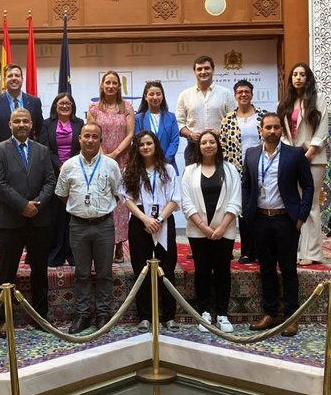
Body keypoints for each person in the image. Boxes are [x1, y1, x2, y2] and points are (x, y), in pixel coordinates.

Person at [243, 113, 314, 337]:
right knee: (266, 269)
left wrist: (301, 215)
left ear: (281, 131)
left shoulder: (295, 154)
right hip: (260, 220)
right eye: (268, 128)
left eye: (276, 128)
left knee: (289, 269)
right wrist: (247, 210)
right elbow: (246, 184)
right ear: (261, 130)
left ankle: (291, 317)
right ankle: (271, 313)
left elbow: (308, 185)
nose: (272, 131)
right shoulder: (252, 154)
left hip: (286, 220)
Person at [0, 108, 56, 338]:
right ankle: (3, 319)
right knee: (7, 271)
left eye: (25, 121)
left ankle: (41, 316)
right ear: (9, 124)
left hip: (39, 219)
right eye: (16, 121)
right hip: (11, 221)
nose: (21, 124)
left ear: (31, 125)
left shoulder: (42, 150)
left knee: (40, 270)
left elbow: (50, 181)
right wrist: (22, 205)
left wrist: (36, 204)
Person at [55, 122, 122, 334]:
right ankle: (82, 315)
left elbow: (118, 192)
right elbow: (62, 193)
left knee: (104, 273)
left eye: (95, 137)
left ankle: (103, 314)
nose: (90, 140)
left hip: (104, 225)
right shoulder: (69, 166)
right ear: (79, 139)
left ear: (100, 140)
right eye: (87, 136)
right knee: (82, 273)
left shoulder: (111, 165)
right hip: (78, 226)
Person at [121, 131, 181, 332]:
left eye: (149, 143)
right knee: (141, 270)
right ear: (137, 148)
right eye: (141, 145)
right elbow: (126, 199)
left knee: (168, 269)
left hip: (164, 221)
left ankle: (169, 315)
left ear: (155, 145)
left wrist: (160, 219)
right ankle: (145, 316)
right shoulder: (130, 170)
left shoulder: (168, 169)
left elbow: (175, 198)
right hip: (140, 223)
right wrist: (145, 218)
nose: (145, 147)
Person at [182, 130, 241, 333]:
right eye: (204, 142)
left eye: (212, 142)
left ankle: (223, 314)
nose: (208, 145)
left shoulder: (230, 169)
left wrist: (221, 227)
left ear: (218, 145)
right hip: (199, 232)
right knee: (203, 271)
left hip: (225, 230)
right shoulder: (190, 171)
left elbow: (235, 200)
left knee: (223, 270)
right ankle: (205, 312)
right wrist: (204, 228)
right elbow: (186, 202)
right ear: (198, 147)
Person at [278, 63, 329, 266]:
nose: (298, 78)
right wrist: (291, 155)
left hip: (313, 159)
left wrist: (308, 153)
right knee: (295, 204)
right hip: (292, 158)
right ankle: (299, 248)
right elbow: (282, 132)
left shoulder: (318, 99)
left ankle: (313, 252)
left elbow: (322, 129)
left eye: (302, 74)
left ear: (308, 78)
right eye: (295, 74)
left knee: (311, 205)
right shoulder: (286, 102)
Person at [87, 70, 135, 263]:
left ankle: (119, 246)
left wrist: (114, 154)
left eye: (114, 83)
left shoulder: (127, 107)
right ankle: (104, 244)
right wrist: (103, 156)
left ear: (119, 86)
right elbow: (90, 134)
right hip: (99, 159)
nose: (111, 86)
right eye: (107, 82)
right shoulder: (94, 109)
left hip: (122, 160)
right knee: (103, 199)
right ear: (102, 85)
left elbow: (130, 134)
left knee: (121, 204)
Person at [220, 79, 267, 264]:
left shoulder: (262, 116)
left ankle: (262, 249)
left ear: (252, 94)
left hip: (261, 169)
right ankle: (247, 251)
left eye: (246, 91)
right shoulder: (228, 119)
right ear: (235, 95)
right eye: (239, 92)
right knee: (243, 211)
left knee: (261, 208)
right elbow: (222, 145)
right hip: (236, 170)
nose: (243, 95)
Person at [38, 92, 84, 267]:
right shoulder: (46, 124)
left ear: (72, 107)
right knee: (56, 215)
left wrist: (69, 166)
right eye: (61, 103)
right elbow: (45, 148)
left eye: (68, 104)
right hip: (53, 174)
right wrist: (60, 165)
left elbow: (83, 146)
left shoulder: (79, 123)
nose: (65, 106)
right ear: (55, 106)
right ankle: (56, 252)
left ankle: (72, 252)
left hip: (75, 173)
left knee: (72, 214)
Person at [176, 55, 235, 166]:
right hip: (193, 148)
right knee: (193, 182)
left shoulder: (225, 93)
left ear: (213, 70)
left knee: (222, 181)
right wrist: (191, 134)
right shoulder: (184, 95)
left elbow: (234, 121)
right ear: (194, 72)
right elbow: (179, 123)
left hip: (221, 147)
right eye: (199, 69)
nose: (203, 72)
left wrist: (220, 133)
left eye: (207, 68)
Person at [0, 64, 43, 146]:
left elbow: (40, 129)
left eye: (17, 75)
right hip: (3, 154)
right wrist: (2, 150)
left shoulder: (34, 102)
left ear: (22, 79)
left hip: (28, 153)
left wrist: (33, 148)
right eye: (10, 76)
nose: (14, 78)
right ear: (4, 79)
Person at [134, 80, 180, 174]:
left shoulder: (171, 117)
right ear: (145, 97)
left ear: (162, 96)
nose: (155, 97)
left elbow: (174, 142)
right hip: (145, 167)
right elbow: (137, 143)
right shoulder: (138, 119)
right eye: (151, 94)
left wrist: (164, 162)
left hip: (167, 166)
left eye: (158, 94)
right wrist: (149, 162)